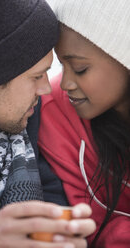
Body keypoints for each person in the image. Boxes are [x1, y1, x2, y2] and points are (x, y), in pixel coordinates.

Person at [0, 0, 96, 247]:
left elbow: (52, 200)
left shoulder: (21, 130)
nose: (47, 88)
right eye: (36, 76)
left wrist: (60, 234)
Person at [38, 0, 130, 247]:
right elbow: (85, 223)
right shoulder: (52, 111)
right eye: (62, 64)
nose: (66, 82)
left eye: (80, 68)